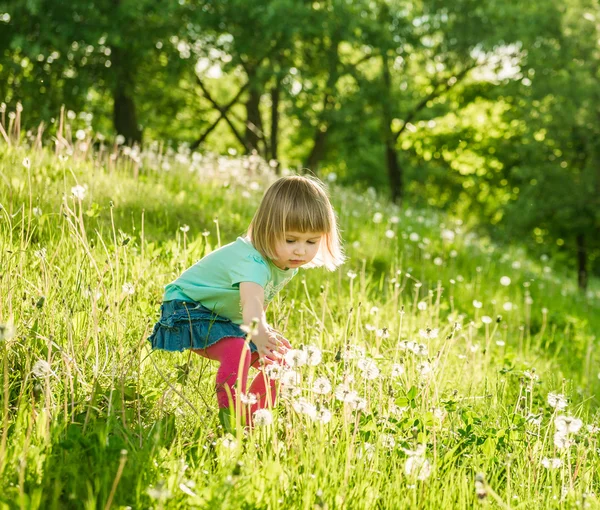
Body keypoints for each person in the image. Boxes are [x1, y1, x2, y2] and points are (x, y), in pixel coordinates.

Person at [148, 175, 344, 430]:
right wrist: (259, 333)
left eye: (311, 241)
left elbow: (257, 305)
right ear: (267, 230)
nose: (301, 251)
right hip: (188, 308)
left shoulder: (286, 262)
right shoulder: (252, 262)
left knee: (281, 359)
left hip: (225, 316)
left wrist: (266, 332)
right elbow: (251, 300)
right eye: (291, 239)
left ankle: (252, 420)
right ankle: (230, 420)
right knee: (238, 351)